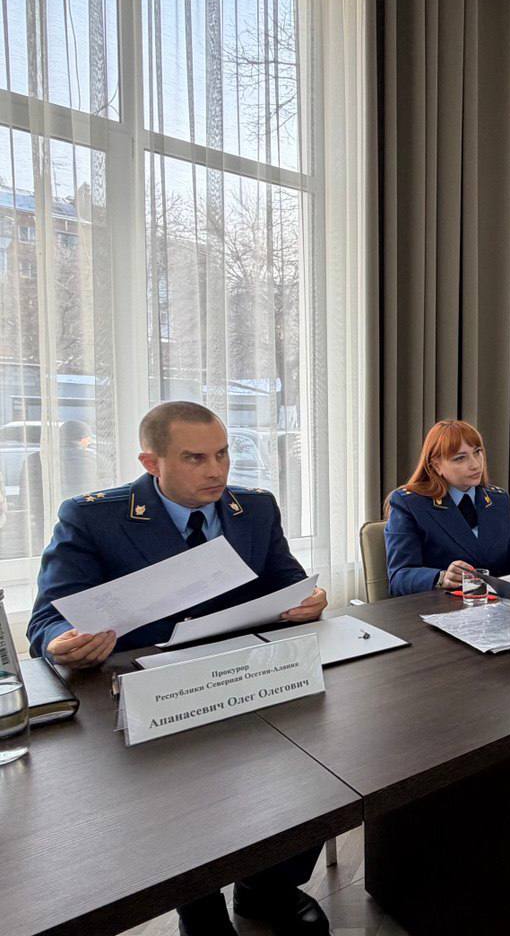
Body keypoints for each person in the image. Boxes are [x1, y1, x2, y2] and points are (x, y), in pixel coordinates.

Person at [26, 400, 331, 936]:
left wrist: (307, 600)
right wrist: (62, 642)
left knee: (320, 764)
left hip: (249, 675)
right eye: (195, 458)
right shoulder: (93, 517)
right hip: (152, 692)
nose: (216, 471)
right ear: (152, 462)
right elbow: (48, 619)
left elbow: (287, 580)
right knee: (186, 803)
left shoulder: (255, 508)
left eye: (223, 454)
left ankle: (265, 888)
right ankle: (200, 906)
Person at [385, 419, 510, 595]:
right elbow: (399, 577)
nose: (475, 464)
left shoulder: (497, 499)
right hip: (442, 606)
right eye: (460, 458)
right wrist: (442, 577)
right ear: (436, 466)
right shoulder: (411, 503)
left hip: (495, 605)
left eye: (477, 452)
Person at [19, 419, 102, 547]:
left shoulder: (34, 459)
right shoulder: (96, 460)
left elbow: (26, 493)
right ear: (83, 439)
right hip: (83, 516)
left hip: (43, 515)